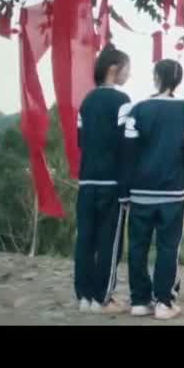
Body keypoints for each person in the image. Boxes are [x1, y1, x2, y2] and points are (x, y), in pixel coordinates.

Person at [121, 59, 184, 320]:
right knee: (168, 247)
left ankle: (139, 301)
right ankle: (164, 303)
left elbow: (128, 155)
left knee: (138, 247)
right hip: (173, 193)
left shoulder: (138, 110)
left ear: (156, 77)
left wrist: (124, 191)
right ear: (178, 81)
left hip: (140, 191)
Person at [73, 44, 132, 314]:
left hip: (87, 180)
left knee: (85, 239)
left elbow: (80, 141)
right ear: (113, 69)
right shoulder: (122, 101)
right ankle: (102, 298)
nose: (128, 75)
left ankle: (84, 297)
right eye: (127, 69)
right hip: (112, 182)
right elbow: (126, 145)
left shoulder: (86, 101)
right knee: (110, 241)